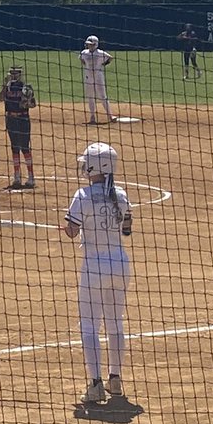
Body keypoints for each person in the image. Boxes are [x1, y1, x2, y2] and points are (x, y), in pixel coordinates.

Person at [60, 142, 133, 405]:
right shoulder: (122, 195)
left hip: (95, 266)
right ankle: (115, 379)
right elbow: (126, 229)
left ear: (94, 166)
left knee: (89, 324)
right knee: (115, 322)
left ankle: (94, 384)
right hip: (121, 264)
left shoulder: (82, 195)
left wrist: (69, 226)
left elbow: (71, 231)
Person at [0, 65, 36, 190]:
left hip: (23, 119)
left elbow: (33, 104)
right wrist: (4, 86)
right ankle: (17, 177)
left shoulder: (26, 87)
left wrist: (26, 102)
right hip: (11, 120)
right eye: (12, 73)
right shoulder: (7, 87)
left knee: (25, 147)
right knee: (14, 148)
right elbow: (0, 98)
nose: (13, 76)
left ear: (20, 75)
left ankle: (30, 177)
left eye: (16, 74)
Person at [79, 35, 116, 124]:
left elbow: (110, 58)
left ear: (95, 44)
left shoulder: (100, 53)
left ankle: (110, 115)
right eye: (88, 44)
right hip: (88, 77)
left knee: (103, 96)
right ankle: (92, 116)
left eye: (91, 44)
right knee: (90, 97)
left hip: (99, 77)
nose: (89, 46)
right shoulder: (84, 52)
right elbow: (81, 59)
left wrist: (103, 64)